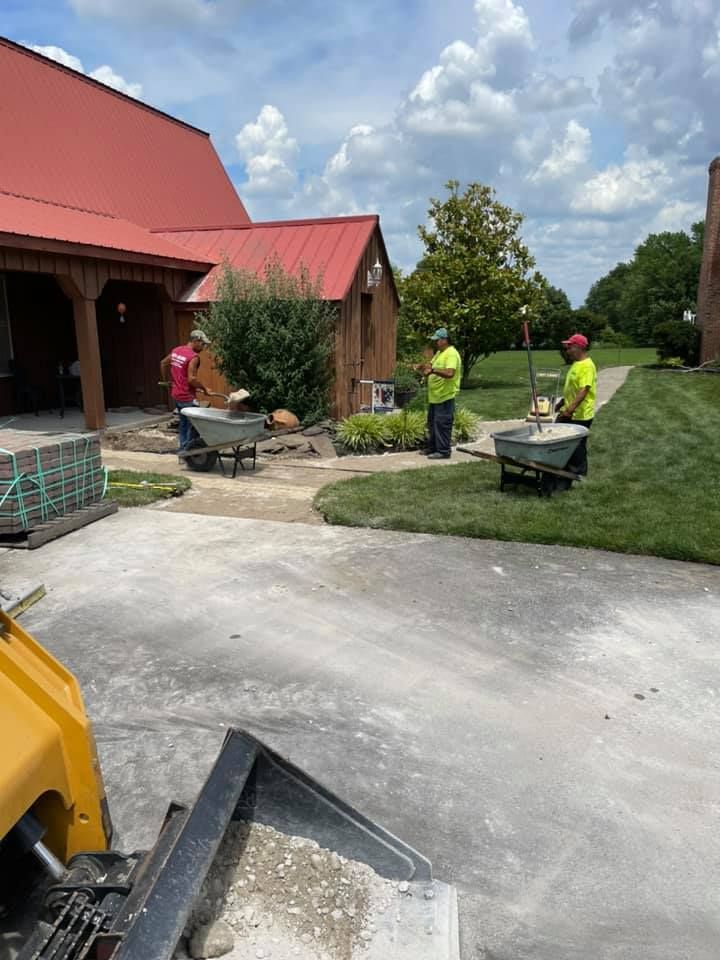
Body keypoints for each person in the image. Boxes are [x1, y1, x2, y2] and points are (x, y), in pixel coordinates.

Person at [160, 330, 211, 451]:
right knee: (193, 427)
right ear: (195, 341)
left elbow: (163, 363)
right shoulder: (193, 357)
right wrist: (205, 388)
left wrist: (167, 381)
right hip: (187, 397)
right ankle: (189, 453)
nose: (203, 347)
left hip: (177, 395)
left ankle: (183, 449)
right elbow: (191, 379)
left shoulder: (176, 350)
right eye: (202, 344)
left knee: (183, 424)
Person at [556, 332, 597, 476]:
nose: (567, 351)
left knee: (577, 444)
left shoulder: (587, 366)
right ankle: (565, 467)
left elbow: (584, 390)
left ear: (579, 347)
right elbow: (572, 388)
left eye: (570, 347)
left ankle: (578, 473)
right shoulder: (577, 364)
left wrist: (570, 410)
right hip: (570, 410)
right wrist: (562, 402)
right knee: (563, 440)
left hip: (580, 414)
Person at [420, 328, 462, 459]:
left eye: (437, 340)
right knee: (433, 424)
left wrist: (433, 371)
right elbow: (431, 367)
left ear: (444, 340)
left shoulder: (451, 354)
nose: (435, 342)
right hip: (435, 397)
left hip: (445, 396)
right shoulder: (439, 353)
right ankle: (433, 448)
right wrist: (423, 367)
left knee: (442, 424)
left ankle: (443, 451)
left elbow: (450, 373)